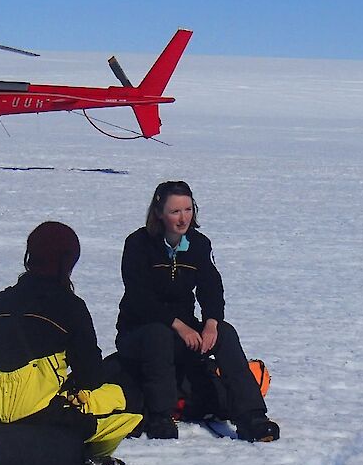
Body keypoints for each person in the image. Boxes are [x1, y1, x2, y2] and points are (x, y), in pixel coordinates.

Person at [114, 180, 279, 442]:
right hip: (139, 333)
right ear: (158, 213)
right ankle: (160, 416)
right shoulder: (138, 244)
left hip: (184, 330)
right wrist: (178, 325)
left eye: (188, 210)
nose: (183, 218)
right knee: (159, 334)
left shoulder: (199, 244)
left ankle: (252, 416)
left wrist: (212, 322)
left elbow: (211, 287)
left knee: (225, 332)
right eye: (175, 211)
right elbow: (139, 297)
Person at [0, 221, 141, 460]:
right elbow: (90, 376)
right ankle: (85, 455)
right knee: (124, 399)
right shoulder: (70, 307)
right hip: (40, 420)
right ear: (66, 264)